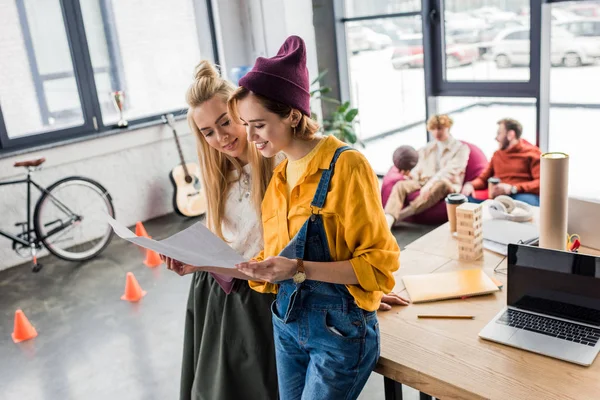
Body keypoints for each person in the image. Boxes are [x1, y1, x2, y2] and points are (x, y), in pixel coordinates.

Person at [228, 36, 401, 400]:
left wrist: (296, 268)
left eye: (258, 124)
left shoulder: (345, 166)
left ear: (292, 114)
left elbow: (378, 266)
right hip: (286, 325)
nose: (250, 136)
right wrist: (217, 266)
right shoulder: (279, 177)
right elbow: (277, 263)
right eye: (245, 124)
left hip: (338, 335)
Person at [160, 60, 279, 400]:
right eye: (207, 131)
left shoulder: (280, 170)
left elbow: (281, 258)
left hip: (259, 302)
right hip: (212, 294)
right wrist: (188, 254)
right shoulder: (218, 178)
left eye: (225, 122)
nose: (220, 137)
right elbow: (223, 237)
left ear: (242, 114)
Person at [384, 114, 470, 228]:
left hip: (447, 184)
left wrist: (430, 185)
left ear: (448, 127)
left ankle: (400, 216)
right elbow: (419, 168)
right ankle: (388, 220)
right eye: (433, 129)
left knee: (440, 184)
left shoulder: (461, 149)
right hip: (424, 181)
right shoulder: (428, 148)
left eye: (440, 128)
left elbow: (449, 171)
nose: (436, 132)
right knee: (400, 185)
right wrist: (411, 176)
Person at [461, 118, 541, 206]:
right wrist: (470, 185)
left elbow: (541, 182)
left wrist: (513, 188)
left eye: (499, 133)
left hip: (522, 195)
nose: (496, 138)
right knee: (464, 201)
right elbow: (483, 179)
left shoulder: (532, 153)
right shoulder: (497, 155)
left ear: (511, 135)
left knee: (520, 204)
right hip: (500, 199)